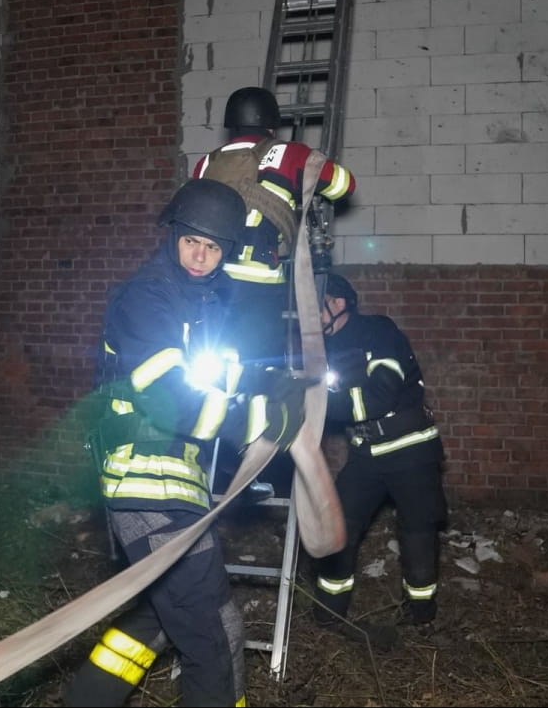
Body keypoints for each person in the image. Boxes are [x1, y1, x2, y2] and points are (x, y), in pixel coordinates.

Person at [65, 178, 310, 707]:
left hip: (174, 485)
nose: (200, 257)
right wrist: (256, 421)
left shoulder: (200, 306)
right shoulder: (146, 299)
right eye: (191, 242)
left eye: (213, 248)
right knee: (214, 635)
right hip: (147, 485)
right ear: (172, 236)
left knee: (158, 621)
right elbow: (170, 398)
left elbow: (214, 379)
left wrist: (266, 386)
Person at [190, 86, 356, 495]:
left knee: (216, 376)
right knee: (261, 379)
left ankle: (203, 462)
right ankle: (251, 469)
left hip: (210, 287)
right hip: (260, 289)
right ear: (270, 124)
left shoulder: (206, 162)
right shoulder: (290, 154)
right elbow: (344, 186)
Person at [311, 273, 447, 639]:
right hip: (366, 455)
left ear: (338, 303)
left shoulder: (378, 332)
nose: (310, 314)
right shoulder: (322, 348)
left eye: (316, 305)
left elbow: (380, 395)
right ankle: (328, 614)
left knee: (417, 531)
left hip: (411, 450)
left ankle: (421, 617)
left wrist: (316, 403)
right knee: (338, 528)